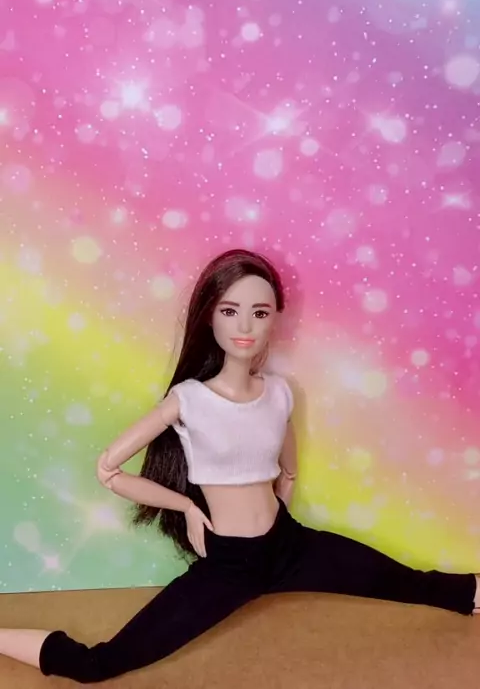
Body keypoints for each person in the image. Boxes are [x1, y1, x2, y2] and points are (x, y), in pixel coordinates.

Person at [0, 248, 478, 684]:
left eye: (260, 312)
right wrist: (187, 506)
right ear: (209, 316)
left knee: (411, 582)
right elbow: (109, 469)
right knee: (97, 664)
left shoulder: (280, 392)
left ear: (275, 318)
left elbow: (287, 470)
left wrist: (282, 505)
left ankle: (471, 593)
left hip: (290, 546)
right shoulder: (189, 400)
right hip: (229, 565)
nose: (244, 325)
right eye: (229, 311)